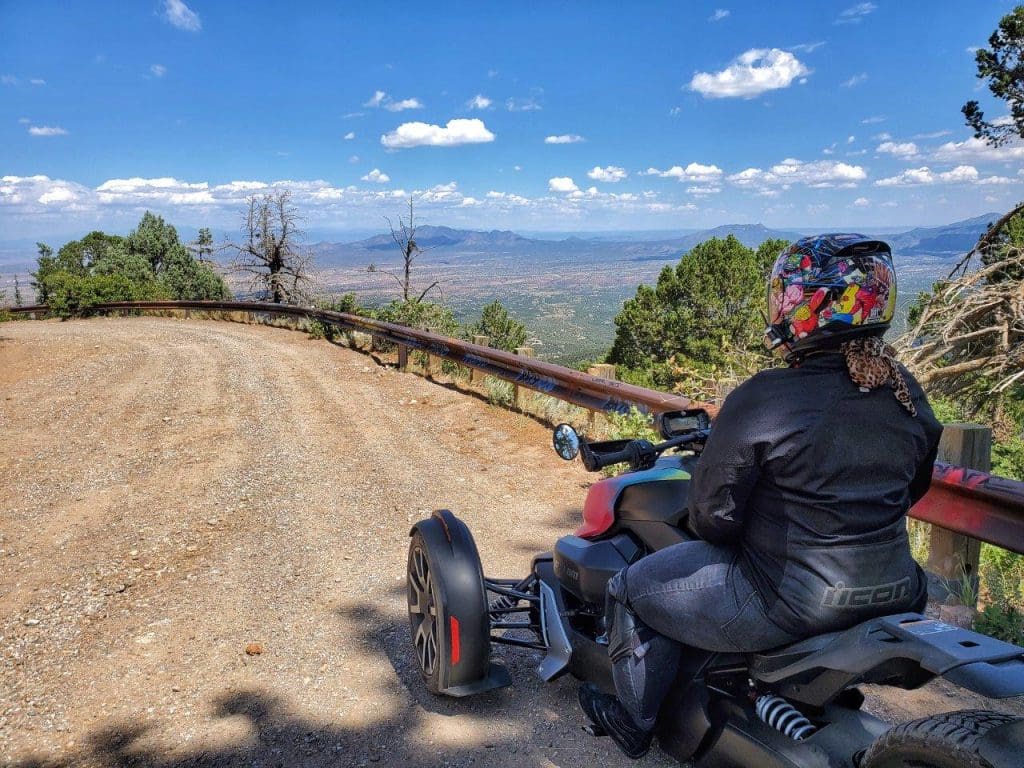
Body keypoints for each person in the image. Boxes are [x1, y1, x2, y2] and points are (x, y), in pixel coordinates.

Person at [579, 234, 943, 759]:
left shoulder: (768, 394)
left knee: (628, 589)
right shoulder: (902, 388)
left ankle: (634, 721)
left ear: (802, 306)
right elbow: (913, 489)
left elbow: (712, 519)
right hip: (900, 591)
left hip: (791, 604)